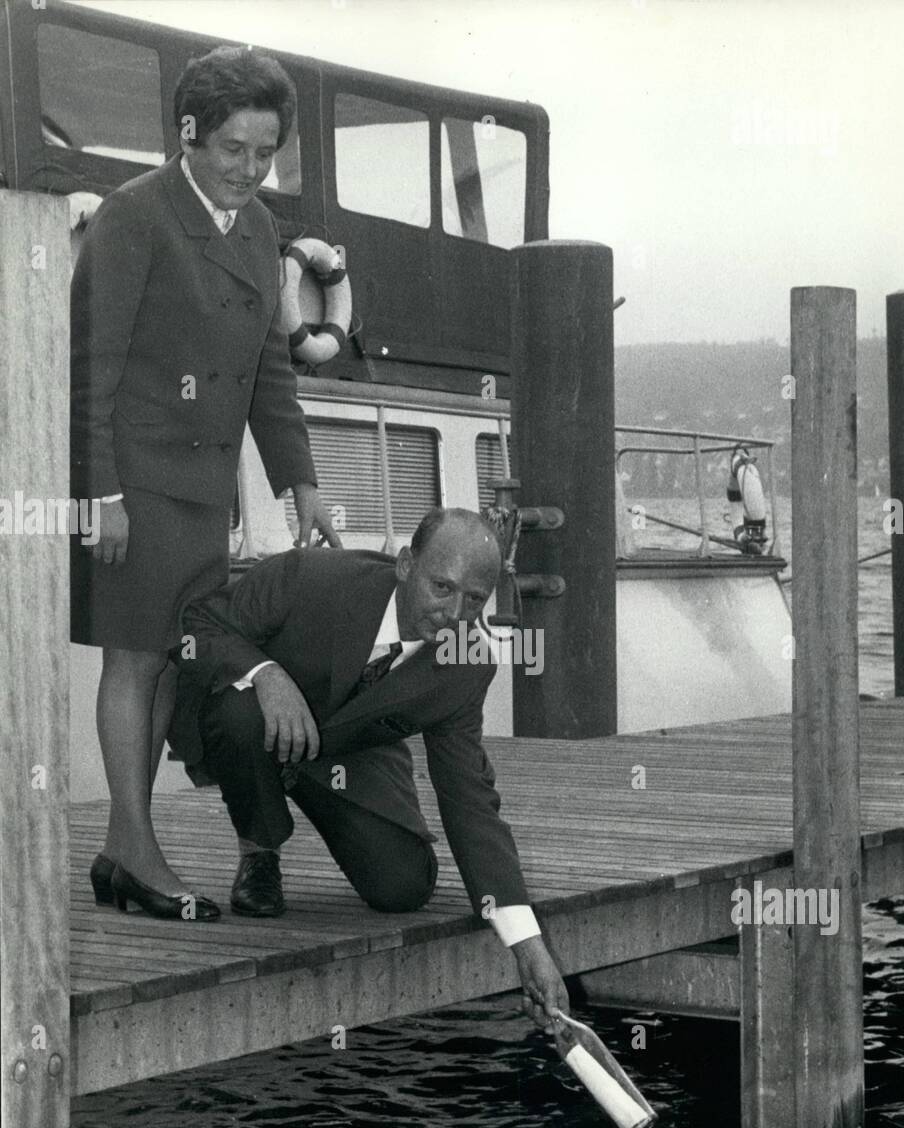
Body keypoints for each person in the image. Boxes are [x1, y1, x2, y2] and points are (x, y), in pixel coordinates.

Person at [70, 46, 341, 922]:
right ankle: (137, 850)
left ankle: (124, 850)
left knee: (162, 668)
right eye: (231, 149)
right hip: (137, 482)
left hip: (204, 493)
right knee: (136, 659)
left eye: (264, 153)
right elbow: (91, 367)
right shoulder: (134, 216)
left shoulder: (259, 229)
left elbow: (270, 367)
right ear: (187, 134)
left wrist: (300, 483)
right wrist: (99, 494)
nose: (249, 170)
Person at [168, 508, 570, 1026]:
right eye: (442, 587)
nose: (455, 613)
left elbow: (471, 801)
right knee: (240, 712)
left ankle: (302, 784)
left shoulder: (468, 661)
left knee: (402, 888)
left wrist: (526, 944)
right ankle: (259, 849)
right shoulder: (309, 577)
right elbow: (197, 625)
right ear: (405, 565)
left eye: (474, 600)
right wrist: (265, 674)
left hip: (352, 751)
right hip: (257, 722)